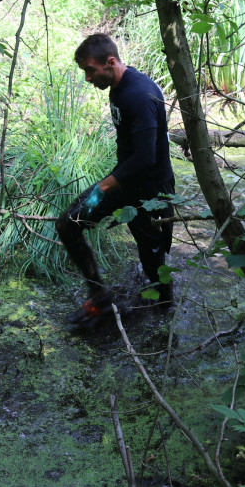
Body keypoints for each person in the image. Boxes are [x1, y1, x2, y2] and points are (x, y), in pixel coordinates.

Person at [56, 33, 176, 314]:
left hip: (152, 193)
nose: (87, 78)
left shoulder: (138, 94)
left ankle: (164, 320)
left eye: (89, 70)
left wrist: (102, 188)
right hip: (125, 182)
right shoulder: (118, 87)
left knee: (154, 268)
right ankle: (99, 295)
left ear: (110, 62)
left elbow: (146, 158)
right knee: (68, 223)